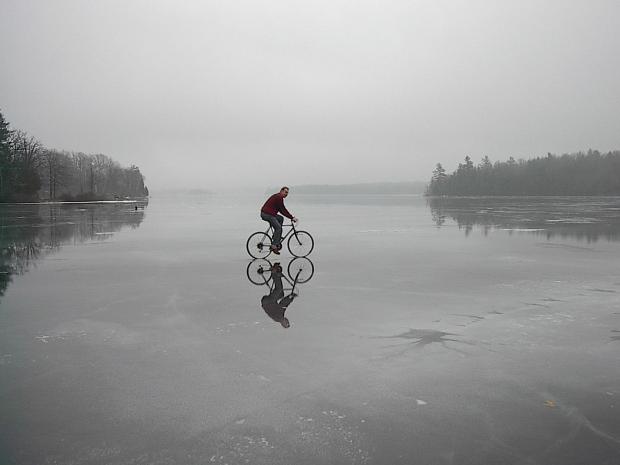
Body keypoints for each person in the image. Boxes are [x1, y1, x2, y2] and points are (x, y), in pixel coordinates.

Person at [260, 186, 298, 255]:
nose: (286, 194)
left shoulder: (278, 196)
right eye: (285, 192)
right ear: (281, 191)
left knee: (280, 218)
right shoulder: (279, 197)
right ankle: (274, 245)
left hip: (268, 213)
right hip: (267, 214)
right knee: (278, 228)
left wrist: (290, 217)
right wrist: (291, 217)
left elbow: (282, 210)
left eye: (287, 193)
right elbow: (282, 210)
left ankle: (275, 237)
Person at [260, 263, 296, 328]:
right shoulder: (279, 318)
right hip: (268, 302)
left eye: (286, 322)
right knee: (281, 294)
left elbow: (283, 304)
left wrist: (291, 297)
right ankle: (276, 274)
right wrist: (290, 297)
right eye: (288, 322)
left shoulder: (279, 317)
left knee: (279, 289)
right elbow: (283, 304)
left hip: (268, 301)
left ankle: (274, 272)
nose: (287, 320)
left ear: (283, 323)